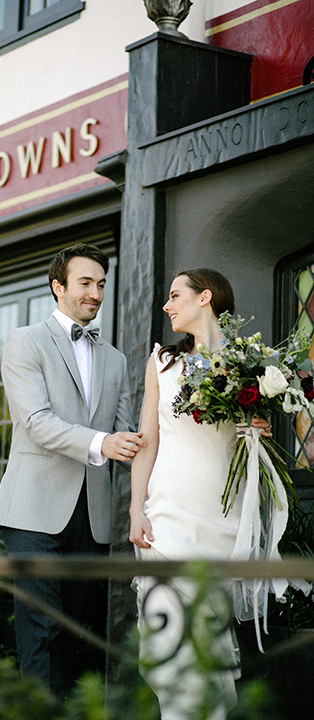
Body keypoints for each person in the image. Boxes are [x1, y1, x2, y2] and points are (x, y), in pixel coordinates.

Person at [0, 243, 144, 699]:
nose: (95, 292)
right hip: (33, 513)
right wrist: (101, 443)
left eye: (100, 283)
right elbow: (35, 422)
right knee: (40, 633)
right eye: (85, 282)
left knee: (72, 634)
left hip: (92, 518)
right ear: (58, 287)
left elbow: (129, 436)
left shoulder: (115, 359)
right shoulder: (25, 340)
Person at [129, 268, 271, 720]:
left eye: (175, 295)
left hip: (224, 514)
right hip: (168, 510)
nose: (167, 306)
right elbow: (146, 440)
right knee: (168, 630)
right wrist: (136, 509)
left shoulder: (249, 364)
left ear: (205, 297)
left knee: (208, 633)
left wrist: (257, 430)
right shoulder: (162, 364)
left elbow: (252, 440)